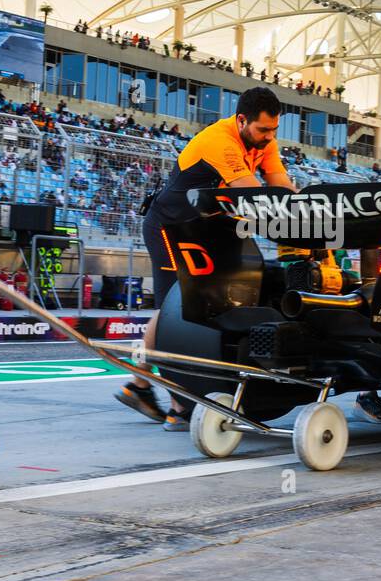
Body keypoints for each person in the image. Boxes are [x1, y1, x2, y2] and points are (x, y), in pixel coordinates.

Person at [117, 86, 295, 429]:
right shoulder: (219, 140)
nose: (270, 137)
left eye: (274, 130)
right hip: (171, 226)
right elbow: (254, 193)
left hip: (207, 229)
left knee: (205, 308)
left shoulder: (264, 142)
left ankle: (146, 389)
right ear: (242, 120)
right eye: (263, 130)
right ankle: (172, 401)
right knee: (174, 311)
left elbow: (281, 186)